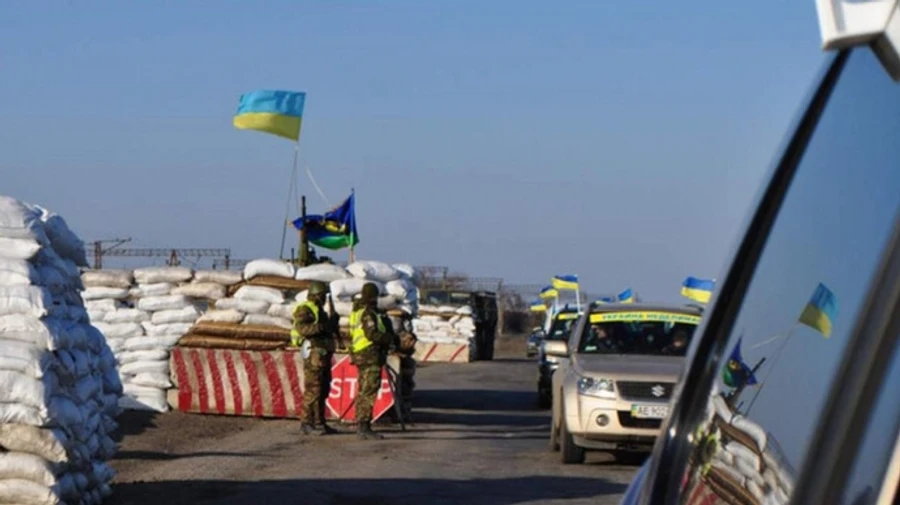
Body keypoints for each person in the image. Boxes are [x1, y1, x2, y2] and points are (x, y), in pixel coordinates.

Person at [290, 280, 341, 436]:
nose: (325, 299)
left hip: (323, 354)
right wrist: (324, 327)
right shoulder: (305, 309)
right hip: (313, 354)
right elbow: (302, 328)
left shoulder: (320, 311)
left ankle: (319, 421)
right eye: (323, 296)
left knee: (324, 388)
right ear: (317, 295)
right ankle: (306, 422)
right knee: (314, 389)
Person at [348, 282, 395, 440]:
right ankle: (364, 426)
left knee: (364, 390)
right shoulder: (368, 313)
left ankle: (363, 424)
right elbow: (371, 334)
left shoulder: (359, 311)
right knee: (368, 391)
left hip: (363, 354)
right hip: (369, 354)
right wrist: (389, 338)